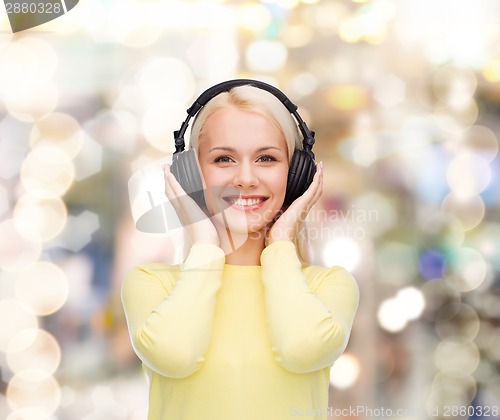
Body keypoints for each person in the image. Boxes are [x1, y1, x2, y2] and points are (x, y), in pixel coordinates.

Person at [121, 81, 359, 420]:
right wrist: (204, 245)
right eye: (224, 159)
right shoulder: (151, 284)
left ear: (296, 175)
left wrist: (281, 244)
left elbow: (301, 348)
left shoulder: (328, 287)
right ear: (191, 175)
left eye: (266, 158)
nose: (246, 178)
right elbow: (176, 353)